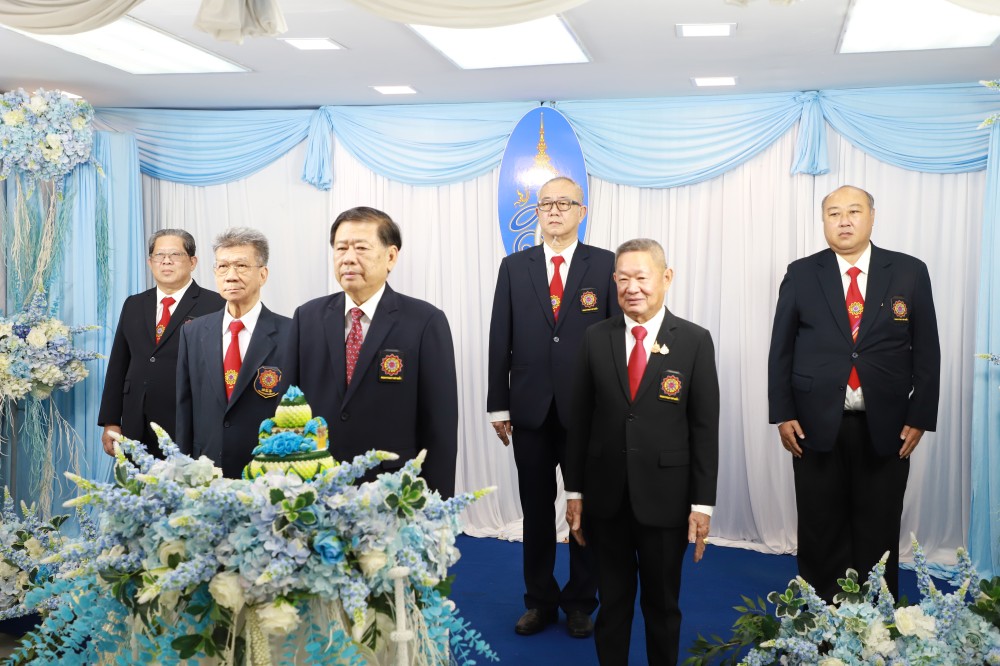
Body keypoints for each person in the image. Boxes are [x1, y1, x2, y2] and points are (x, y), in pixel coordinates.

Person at [767, 185, 940, 602]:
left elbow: (927, 350)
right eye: (833, 213)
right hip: (814, 423)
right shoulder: (801, 273)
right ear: (823, 220)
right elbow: (781, 349)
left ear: (872, 217)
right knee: (819, 524)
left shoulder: (909, 271)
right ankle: (821, 614)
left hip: (887, 424)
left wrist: (920, 416)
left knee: (879, 524)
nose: (843, 221)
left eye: (854, 211)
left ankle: (876, 613)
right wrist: (783, 412)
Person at [565, 238, 719, 665]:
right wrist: (574, 493)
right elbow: (579, 423)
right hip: (606, 499)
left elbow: (705, 429)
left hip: (666, 500)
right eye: (623, 279)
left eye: (642, 277)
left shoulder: (694, 341)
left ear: (666, 278)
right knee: (612, 605)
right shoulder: (595, 338)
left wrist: (702, 505)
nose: (632, 288)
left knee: (662, 606)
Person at [487, 176, 617, 638]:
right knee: (537, 511)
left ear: (582, 211)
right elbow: (499, 337)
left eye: (565, 203)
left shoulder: (605, 264)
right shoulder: (513, 267)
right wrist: (498, 406)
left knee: (587, 510)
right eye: (547, 204)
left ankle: (581, 601)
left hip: (589, 413)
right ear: (536, 213)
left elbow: (616, 339)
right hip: (530, 410)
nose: (555, 211)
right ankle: (539, 600)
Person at [284, 206, 458, 497]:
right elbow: (289, 407)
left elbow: (440, 425)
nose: (348, 258)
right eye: (341, 248)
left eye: (361, 248)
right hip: (318, 484)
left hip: (392, 487)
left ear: (391, 256)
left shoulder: (425, 321)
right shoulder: (307, 317)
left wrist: (437, 504)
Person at [175, 227, 290, 478]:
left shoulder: (291, 334)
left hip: (267, 470)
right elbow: (184, 408)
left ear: (263, 274)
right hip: (206, 469)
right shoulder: (193, 332)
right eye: (223, 267)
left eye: (241, 266)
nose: (231, 276)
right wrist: (183, 468)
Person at [98, 229, 225, 455]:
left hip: (189, 422)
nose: (166, 261)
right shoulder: (134, 304)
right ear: (150, 262)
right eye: (159, 255)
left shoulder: (215, 304)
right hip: (135, 422)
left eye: (175, 254)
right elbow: (118, 364)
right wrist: (111, 421)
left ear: (192, 262)